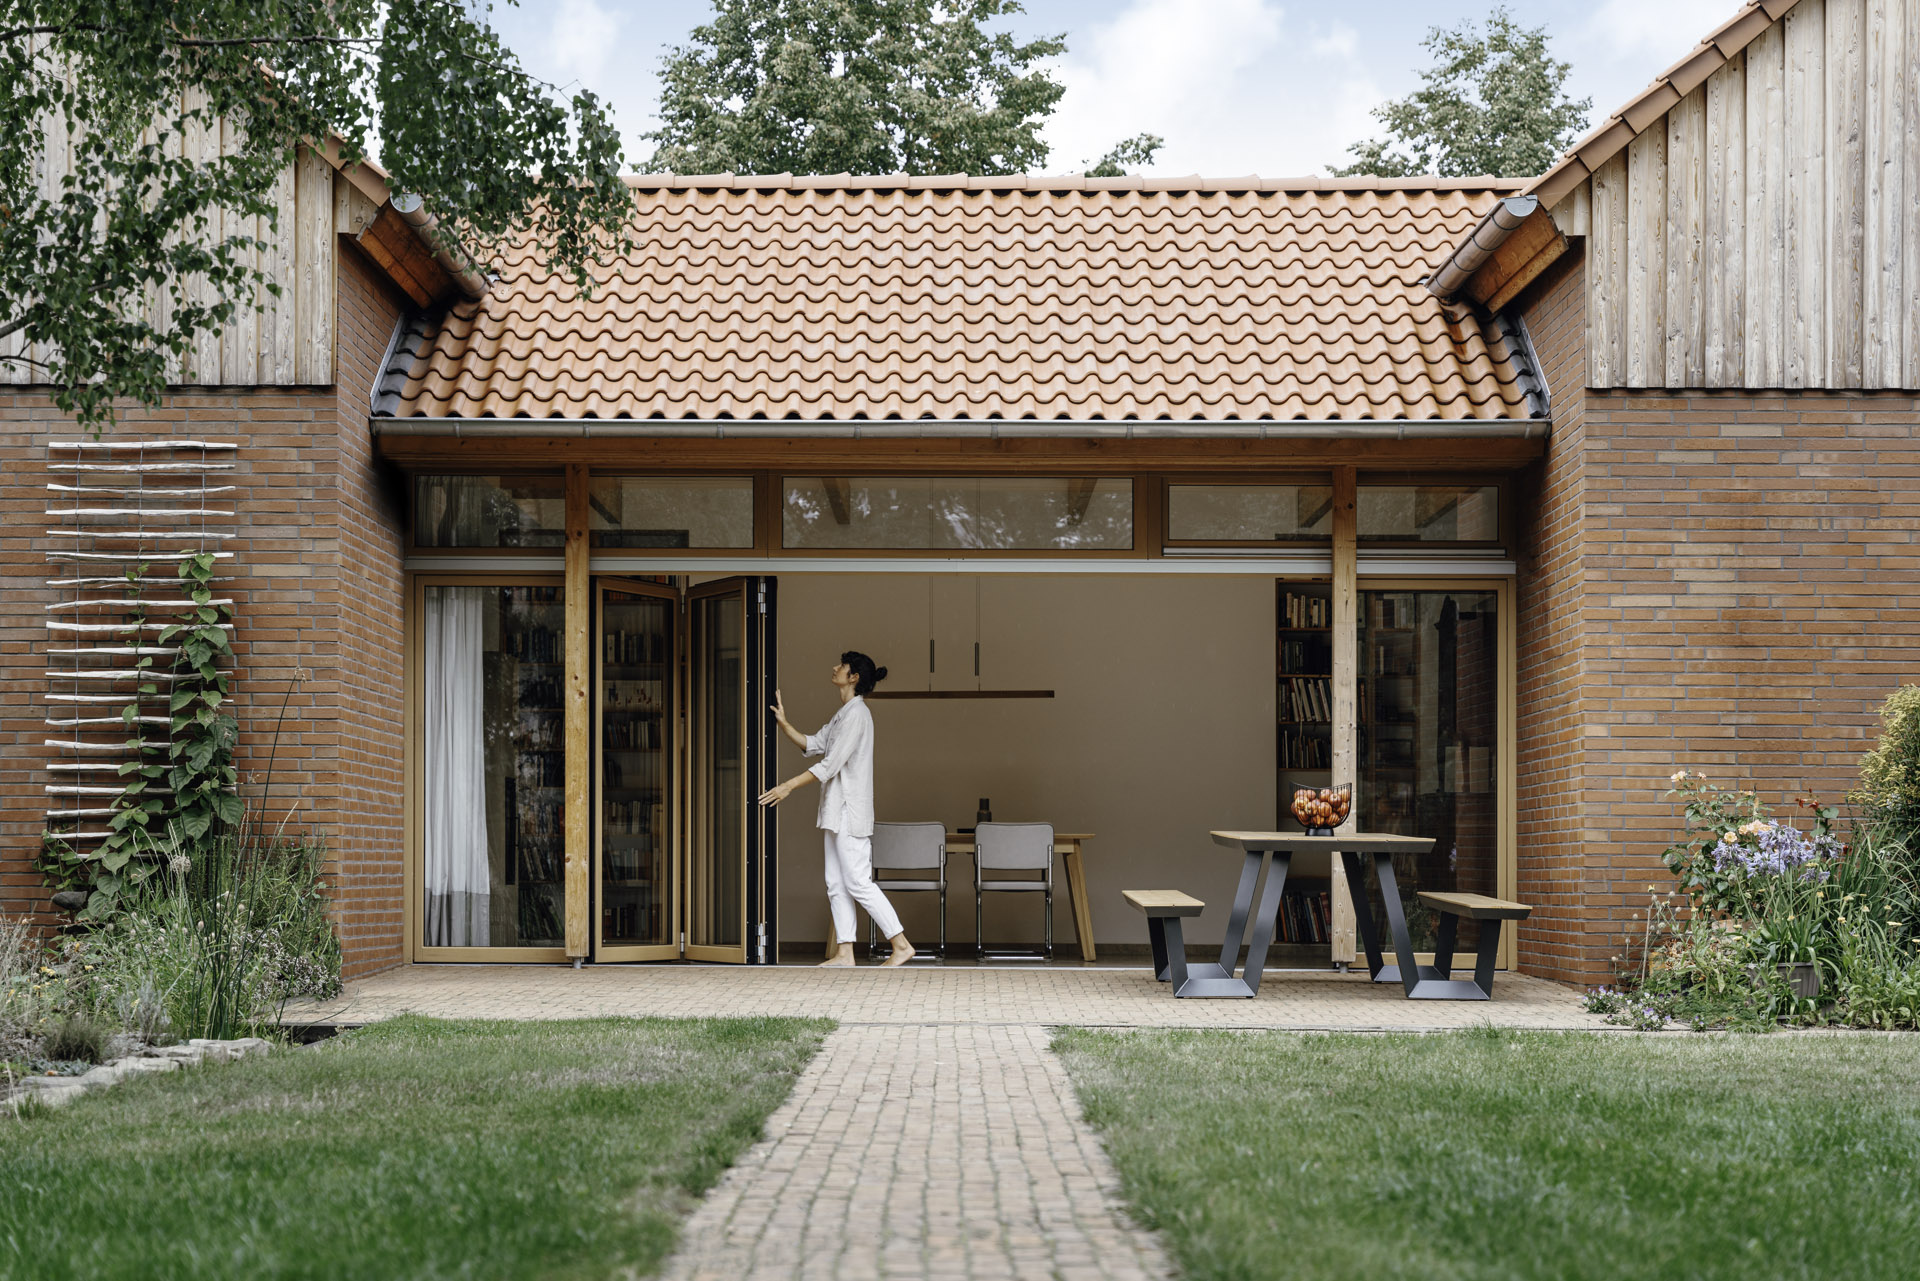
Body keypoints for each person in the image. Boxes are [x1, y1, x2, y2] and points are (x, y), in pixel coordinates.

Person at [757, 651, 916, 967]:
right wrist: (784, 723)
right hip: (835, 812)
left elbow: (829, 766)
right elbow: (813, 744)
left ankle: (901, 945)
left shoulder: (857, 715)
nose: (835, 668)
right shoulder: (844, 714)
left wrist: (787, 786)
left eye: (842, 666)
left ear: (853, 677)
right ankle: (845, 952)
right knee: (836, 882)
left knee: (857, 882)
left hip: (849, 812)